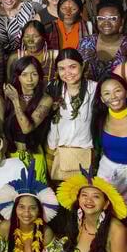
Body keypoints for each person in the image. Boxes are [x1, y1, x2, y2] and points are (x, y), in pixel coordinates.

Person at [47, 49, 97, 181]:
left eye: (73, 67)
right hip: (57, 152)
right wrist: (51, 150)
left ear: (82, 66)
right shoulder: (53, 88)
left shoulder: (94, 89)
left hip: (84, 153)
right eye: (62, 68)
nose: (67, 73)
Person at [2, 57, 54, 181]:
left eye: (34, 74)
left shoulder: (46, 100)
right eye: (24, 75)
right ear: (18, 77)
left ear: (40, 76)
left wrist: (15, 101)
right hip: (11, 157)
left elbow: (26, 129)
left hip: (33, 156)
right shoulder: (9, 95)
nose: (29, 80)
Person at [91, 75, 127, 191]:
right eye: (107, 93)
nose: (113, 97)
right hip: (106, 171)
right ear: (102, 99)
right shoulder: (99, 118)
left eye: (117, 91)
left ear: (126, 93)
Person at [79, 0, 127, 84]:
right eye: (101, 18)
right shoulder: (86, 42)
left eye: (112, 18)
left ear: (121, 21)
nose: (106, 23)